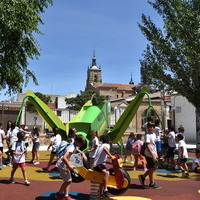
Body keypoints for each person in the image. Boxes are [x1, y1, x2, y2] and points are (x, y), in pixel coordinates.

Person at [56, 135, 87, 200]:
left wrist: (83, 154)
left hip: (64, 165)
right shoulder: (72, 147)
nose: (81, 145)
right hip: (62, 165)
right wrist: (69, 166)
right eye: (80, 144)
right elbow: (64, 157)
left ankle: (66, 196)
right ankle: (59, 194)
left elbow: (77, 150)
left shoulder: (75, 146)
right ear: (77, 141)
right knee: (68, 181)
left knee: (68, 180)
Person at [138, 122, 161, 189]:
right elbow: (147, 145)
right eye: (148, 127)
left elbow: (154, 145)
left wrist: (156, 153)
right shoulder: (147, 135)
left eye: (151, 127)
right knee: (154, 167)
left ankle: (146, 179)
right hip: (149, 154)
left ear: (154, 128)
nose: (149, 128)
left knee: (153, 167)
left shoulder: (153, 134)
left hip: (153, 153)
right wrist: (152, 155)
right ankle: (149, 181)